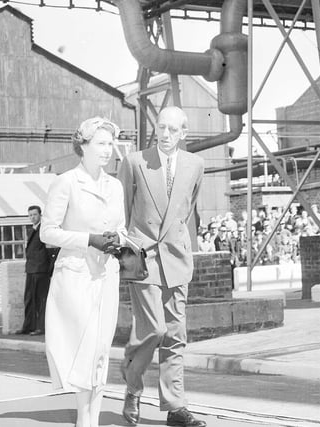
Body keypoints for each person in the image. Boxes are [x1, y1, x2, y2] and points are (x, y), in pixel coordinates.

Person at [117, 106, 206, 427]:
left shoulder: (196, 165)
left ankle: (175, 407)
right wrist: (125, 258)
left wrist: (184, 247)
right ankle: (132, 382)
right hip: (141, 258)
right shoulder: (134, 162)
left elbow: (186, 211)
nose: (165, 135)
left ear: (184, 133)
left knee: (175, 335)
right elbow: (121, 214)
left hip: (176, 258)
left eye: (173, 130)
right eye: (161, 128)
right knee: (153, 328)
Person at [40, 117, 125, 427]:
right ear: (83, 146)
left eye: (111, 144)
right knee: (85, 347)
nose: (108, 150)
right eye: (101, 143)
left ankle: (94, 418)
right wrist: (88, 240)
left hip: (106, 274)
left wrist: (119, 239)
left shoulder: (114, 186)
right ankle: (83, 418)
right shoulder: (66, 182)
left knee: (102, 348)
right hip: (76, 274)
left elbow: (121, 226)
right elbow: (47, 233)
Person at [17, 205, 54, 336]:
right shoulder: (32, 230)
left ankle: (40, 328)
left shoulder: (44, 229)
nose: (32, 217)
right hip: (31, 269)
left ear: (40, 215)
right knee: (29, 299)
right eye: (30, 215)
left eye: (35, 214)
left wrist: (49, 270)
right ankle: (28, 326)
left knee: (41, 300)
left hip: (41, 270)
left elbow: (51, 251)